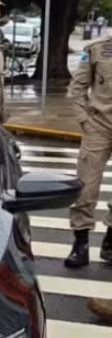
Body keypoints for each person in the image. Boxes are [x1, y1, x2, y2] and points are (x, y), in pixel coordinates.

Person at [63, 33, 112, 268]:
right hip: (99, 126)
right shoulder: (98, 49)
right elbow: (78, 87)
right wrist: (84, 120)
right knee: (86, 187)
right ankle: (80, 244)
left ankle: (110, 242)